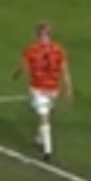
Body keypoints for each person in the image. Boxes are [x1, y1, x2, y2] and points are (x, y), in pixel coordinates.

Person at [14, 23, 71, 162]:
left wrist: (16, 74)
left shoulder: (31, 50)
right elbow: (65, 71)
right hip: (53, 88)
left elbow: (23, 66)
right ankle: (42, 141)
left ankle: (47, 150)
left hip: (39, 88)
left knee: (43, 116)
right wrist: (68, 88)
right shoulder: (59, 50)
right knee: (45, 115)